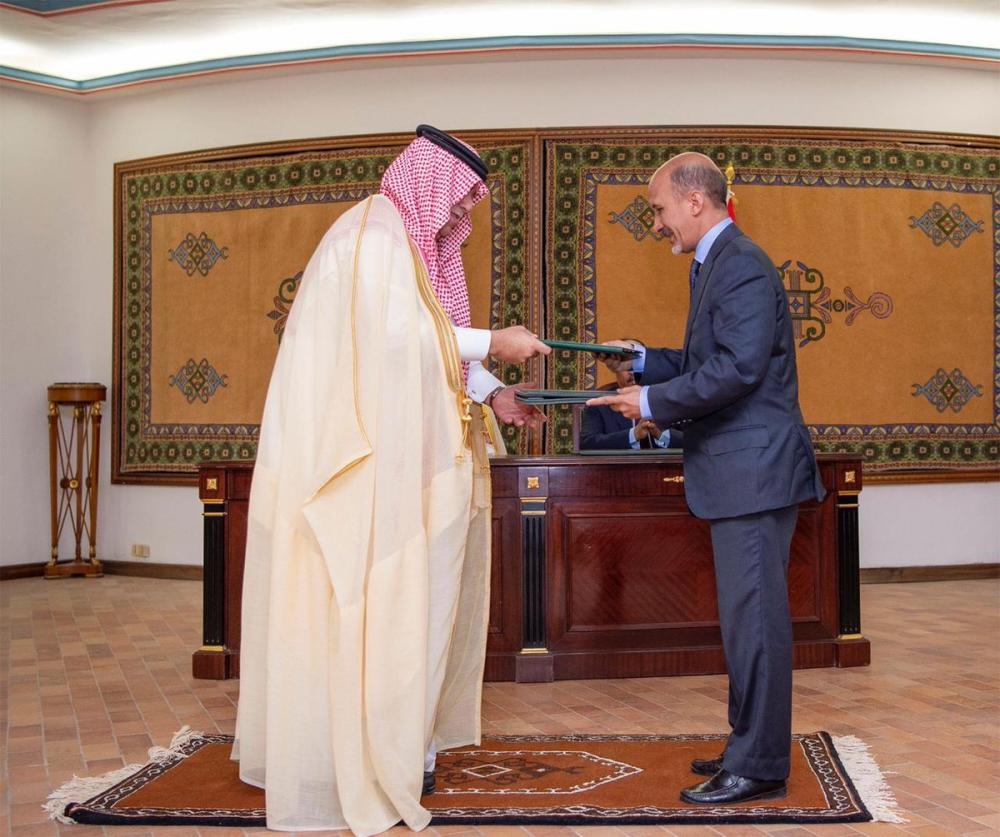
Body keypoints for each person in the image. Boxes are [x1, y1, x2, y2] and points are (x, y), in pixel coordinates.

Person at [232, 125, 549, 835]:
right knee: (380, 607)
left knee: (424, 608)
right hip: (369, 479)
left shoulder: (409, 246)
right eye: (462, 193)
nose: (467, 211)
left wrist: (494, 388)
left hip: (416, 476)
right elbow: (402, 336)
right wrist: (495, 340)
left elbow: (434, 337)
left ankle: (411, 743)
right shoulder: (372, 234)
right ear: (428, 178)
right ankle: (365, 752)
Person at [588, 152, 825, 806]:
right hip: (741, 473)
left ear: (695, 200)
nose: (657, 223)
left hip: (753, 472)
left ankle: (761, 765)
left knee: (756, 623)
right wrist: (645, 361)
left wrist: (653, 403)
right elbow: (706, 359)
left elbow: (739, 369)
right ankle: (748, 745)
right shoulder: (719, 262)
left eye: (660, 209)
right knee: (745, 621)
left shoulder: (740, 263)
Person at [578, 364, 681, 451]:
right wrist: (633, 435)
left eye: (637, 366)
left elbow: (694, 441)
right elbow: (587, 444)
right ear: (616, 371)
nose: (632, 372)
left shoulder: (667, 399)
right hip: (617, 471)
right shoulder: (599, 404)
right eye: (627, 367)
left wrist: (663, 435)